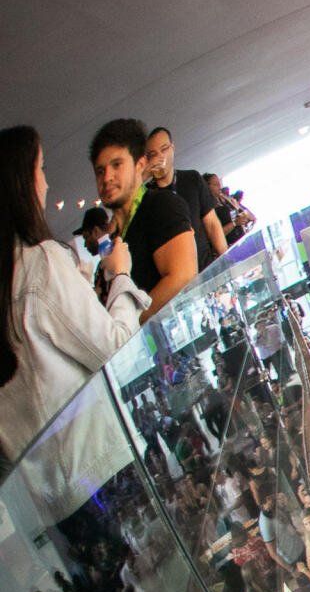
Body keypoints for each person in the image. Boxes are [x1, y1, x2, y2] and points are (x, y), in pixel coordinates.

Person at [0, 125, 152, 468]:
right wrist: (121, 275)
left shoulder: (14, 275)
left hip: (37, 484)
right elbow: (116, 349)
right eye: (41, 168)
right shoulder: (40, 262)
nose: (46, 183)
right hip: (93, 465)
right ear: (21, 182)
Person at [90, 119, 198, 313]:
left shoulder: (162, 205)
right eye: (100, 171)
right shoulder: (114, 238)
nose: (107, 177)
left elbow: (182, 277)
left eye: (117, 164)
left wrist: (127, 325)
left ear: (140, 165)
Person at [143, 126, 226, 267]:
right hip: (176, 272)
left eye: (164, 149)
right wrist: (144, 174)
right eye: (153, 154)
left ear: (173, 148)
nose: (160, 157)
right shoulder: (147, 196)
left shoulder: (192, 178)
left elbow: (212, 223)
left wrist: (226, 259)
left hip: (205, 266)